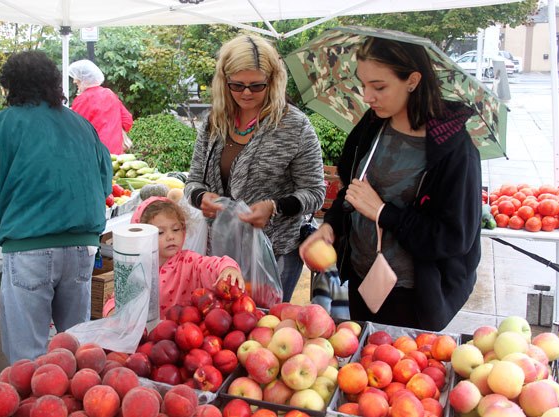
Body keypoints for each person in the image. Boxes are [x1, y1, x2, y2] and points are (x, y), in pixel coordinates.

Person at [299, 37, 482, 331]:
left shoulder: (453, 149)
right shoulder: (372, 126)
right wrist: (330, 225)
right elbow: (352, 191)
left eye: (379, 86)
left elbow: (453, 238)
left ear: (412, 80)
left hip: (412, 295)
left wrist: (384, 213)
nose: (367, 97)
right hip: (361, 280)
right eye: (363, 85)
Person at [0, 51, 113, 362]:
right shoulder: (81, 126)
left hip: (28, 249)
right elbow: (104, 183)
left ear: (10, 87)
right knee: (74, 352)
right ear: (54, 84)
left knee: (28, 360)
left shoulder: (0, 125)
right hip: (82, 249)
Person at [185, 34, 325, 302]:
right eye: (236, 85)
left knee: (266, 324)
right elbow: (193, 181)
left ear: (273, 82)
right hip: (220, 254)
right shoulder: (215, 121)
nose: (246, 93)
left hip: (275, 253)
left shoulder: (294, 126)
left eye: (256, 85)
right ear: (223, 82)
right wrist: (201, 197)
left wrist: (275, 207)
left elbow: (315, 192)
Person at [104, 196, 244, 318]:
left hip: (185, 336)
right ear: (142, 236)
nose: (171, 236)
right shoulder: (136, 268)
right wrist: (111, 313)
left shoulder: (190, 262)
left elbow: (212, 264)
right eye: (160, 232)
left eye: (176, 229)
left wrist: (228, 268)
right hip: (145, 338)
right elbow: (118, 299)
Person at [68, 59, 134, 155]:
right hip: (116, 153)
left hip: (94, 154)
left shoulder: (82, 100)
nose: (74, 81)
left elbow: (75, 131)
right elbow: (127, 120)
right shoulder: (109, 93)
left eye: (76, 78)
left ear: (83, 80)